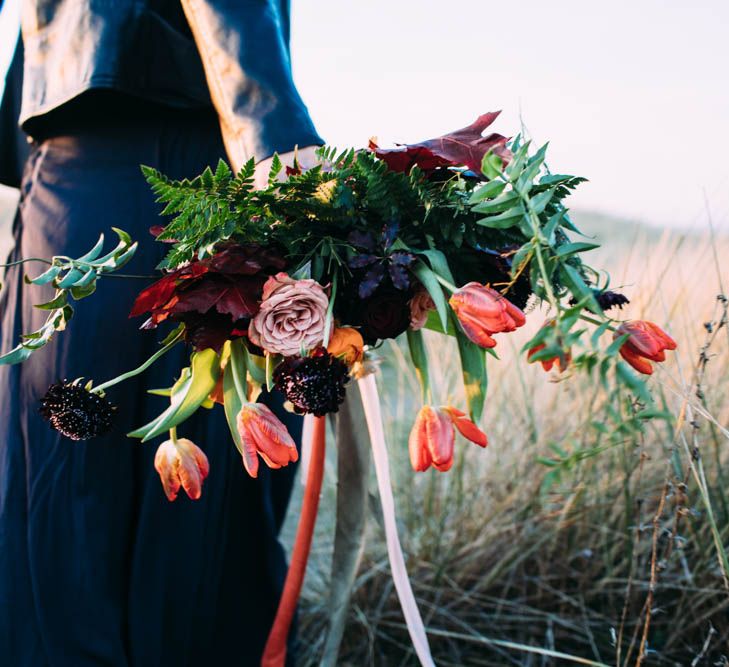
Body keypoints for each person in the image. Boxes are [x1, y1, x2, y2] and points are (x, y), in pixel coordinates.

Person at [0, 2, 322, 665]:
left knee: (71, 475)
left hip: (71, 152)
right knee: (178, 483)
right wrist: (273, 133)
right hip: (182, 136)